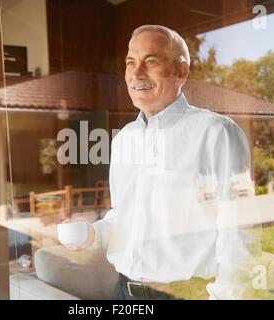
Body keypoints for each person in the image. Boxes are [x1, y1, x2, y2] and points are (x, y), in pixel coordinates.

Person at [67, 25, 260, 300]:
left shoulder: (217, 133)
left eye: (151, 61)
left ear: (181, 71)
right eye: (130, 63)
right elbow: (126, 216)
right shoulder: (124, 140)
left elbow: (240, 233)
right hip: (123, 292)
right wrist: (93, 234)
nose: (136, 74)